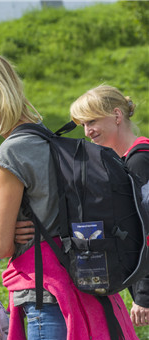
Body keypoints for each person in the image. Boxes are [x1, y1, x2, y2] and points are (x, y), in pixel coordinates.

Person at [0, 49, 145, 340]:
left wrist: (0, 226)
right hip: (81, 287)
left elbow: (0, 245)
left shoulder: (11, 152)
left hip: (45, 297)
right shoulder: (44, 135)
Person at [70, 85, 149, 327]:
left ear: (116, 115)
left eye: (92, 120)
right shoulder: (124, 161)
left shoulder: (140, 161)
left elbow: (147, 229)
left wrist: (145, 293)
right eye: (83, 124)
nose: (87, 131)